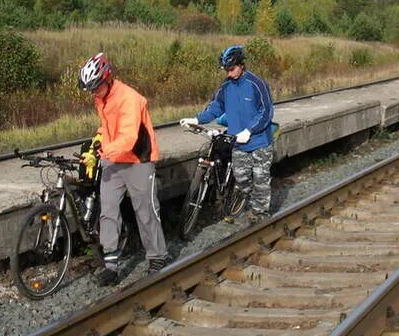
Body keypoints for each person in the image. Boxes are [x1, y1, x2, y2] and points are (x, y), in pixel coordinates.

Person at [78, 52, 169, 285]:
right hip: (113, 158)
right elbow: (107, 126)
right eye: (91, 89)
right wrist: (95, 143)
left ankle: (157, 256)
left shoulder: (130, 98)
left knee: (146, 210)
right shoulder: (101, 97)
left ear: (108, 79)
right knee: (108, 210)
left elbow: (128, 137)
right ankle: (111, 265)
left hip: (138, 159)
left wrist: (104, 152)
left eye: (96, 88)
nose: (93, 93)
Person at [180, 44, 275, 222]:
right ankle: (246, 200)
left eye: (231, 69)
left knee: (260, 179)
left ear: (241, 65)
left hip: (259, 141)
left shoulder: (256, 84)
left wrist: (250, 130)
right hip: (238, 142)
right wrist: (197, 119)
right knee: (241, 178)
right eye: (226, 70)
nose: (229, 73)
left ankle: (260, 213)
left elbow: (267, 112)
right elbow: (216, 107)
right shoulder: (226, 86)